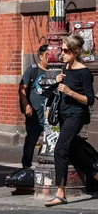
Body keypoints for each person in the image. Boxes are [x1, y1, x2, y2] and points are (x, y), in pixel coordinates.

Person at [45, 34, 96, 207]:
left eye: (65, 50)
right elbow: (58, 90)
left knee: (60, 149)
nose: (62, 53)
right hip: (63, 114)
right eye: (61, 50)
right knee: (72, 149)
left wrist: (69, 92)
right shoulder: (65, 68)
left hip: (76, 115)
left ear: (74, 52)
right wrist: (56, 81)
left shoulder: (84, 72)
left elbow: (90, 100)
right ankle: (96, 174)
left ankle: (60, 193)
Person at [19, 44, 49, 170]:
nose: (51, 58)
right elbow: (22, 89)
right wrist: (26, 105)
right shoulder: (32, 70)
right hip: (35, 114)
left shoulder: (57, 70)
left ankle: (47, 166)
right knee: (31, 140)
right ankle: (26, 167)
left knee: (52, 142)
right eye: (47, 55)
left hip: (51, 114)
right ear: (40, 57)